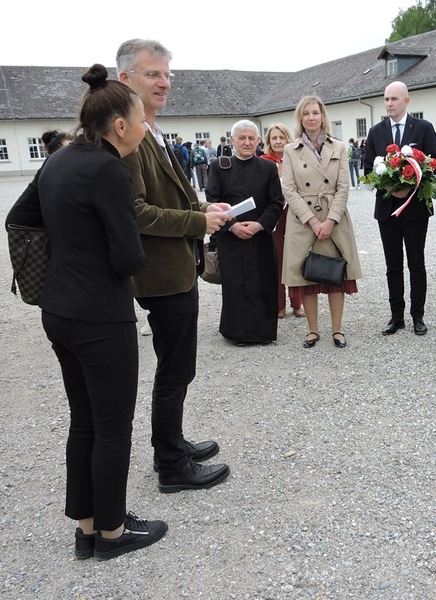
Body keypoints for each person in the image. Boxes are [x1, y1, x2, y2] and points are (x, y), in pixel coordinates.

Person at [6, 64, 167, 560]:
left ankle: (88, 527)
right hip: (101, 316)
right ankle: (114, 535)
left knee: (85, 423)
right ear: (119, 125)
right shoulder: (109, 170)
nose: (146, 127)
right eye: (141, 119)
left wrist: (69, 251)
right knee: (114, 426)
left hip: (59, 309)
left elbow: (20, 218)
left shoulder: (58, 160)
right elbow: (128, 257)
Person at [117, 38, 232, 493]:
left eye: (167, 74)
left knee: (179, 366)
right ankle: (170, 465)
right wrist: (199, 220)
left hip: (177, 265)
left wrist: (206, 206)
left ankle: (172, 441)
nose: (164, 82)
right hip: (161, 274)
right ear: (125, 79)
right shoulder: (128, 136)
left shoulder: (152, 129)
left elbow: (169, 196)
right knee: (173, 369)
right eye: (153, 74)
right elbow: (137, 212)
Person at [282, 95, 363, 348]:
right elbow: (289, 189)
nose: (311, 118)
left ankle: (337, 330)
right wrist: (312, 221)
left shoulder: (338, 146)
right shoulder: (290, 150)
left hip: (334, 219)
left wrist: (330, 220)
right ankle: (312, 331)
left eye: (315, 113)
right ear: (300, 119)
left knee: (336, 272)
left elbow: (343, 187)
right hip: (303, 220)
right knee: (307, 276)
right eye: (306, 114)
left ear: (322, 116)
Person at [363, 81, 436, 336]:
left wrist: (410, 187)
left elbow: (432, 166)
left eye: (394, 99)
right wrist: (389, 188)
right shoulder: (376, 132)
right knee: (392, 265)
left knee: (416, 264)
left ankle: (418, 316)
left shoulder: (423, 128)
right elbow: (368, 170)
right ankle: (397, 317)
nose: (388, 104)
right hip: (387, 209)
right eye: (386, 99)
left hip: (415, 209)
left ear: (406, 101)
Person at [206, 120, 284, 345]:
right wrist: (232, 226)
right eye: (242, 138)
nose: (247, 142)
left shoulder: (268, 168)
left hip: (260, 236)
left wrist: (260, 224)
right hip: (232, 238)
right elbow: (212, 200)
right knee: (235, 285)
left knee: (263, 283)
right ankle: (236, 333)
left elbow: (276, 203)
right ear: (233, 141)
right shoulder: (219, 167)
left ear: (259, 141)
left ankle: (263, 332)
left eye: (251, 138)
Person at [261, 122, 304, 320]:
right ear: (269, 141)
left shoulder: (295, 159)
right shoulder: (262, 162)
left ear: (288, 139)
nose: (278, 141)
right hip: (274, 217)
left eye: (281, 137)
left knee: (296, 259)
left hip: (294, 214)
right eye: (274, 138)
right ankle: (279, 304)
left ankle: (298, 303)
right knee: (277, 261)